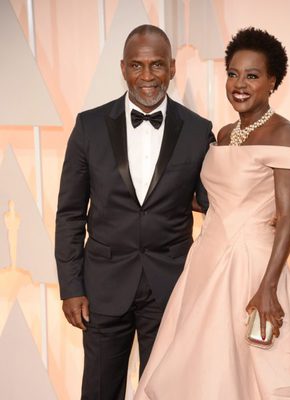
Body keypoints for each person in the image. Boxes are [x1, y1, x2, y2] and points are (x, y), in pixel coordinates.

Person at [134, 27, 290, 399]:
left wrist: (267, 288)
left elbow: (287, 219)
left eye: (252, 76)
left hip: (252, 269)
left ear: (272, 82)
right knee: (199, 368)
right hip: (205, 262)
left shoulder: (285, 135)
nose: (240, 84)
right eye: (233, 73)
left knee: (255, 369)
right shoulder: (225, 132)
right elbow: (218, 199)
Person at [55, 24, 214, 400]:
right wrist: (72, 286)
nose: (147, 77)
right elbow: (70, 213)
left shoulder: (198, 130)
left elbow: (214, 205)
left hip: (171, 287)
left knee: (164, 391)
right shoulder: (89, 126)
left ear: (172, 68)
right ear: (123, 68)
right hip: (102, 286)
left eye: (157, 66)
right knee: (98, 390)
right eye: (137, 66)